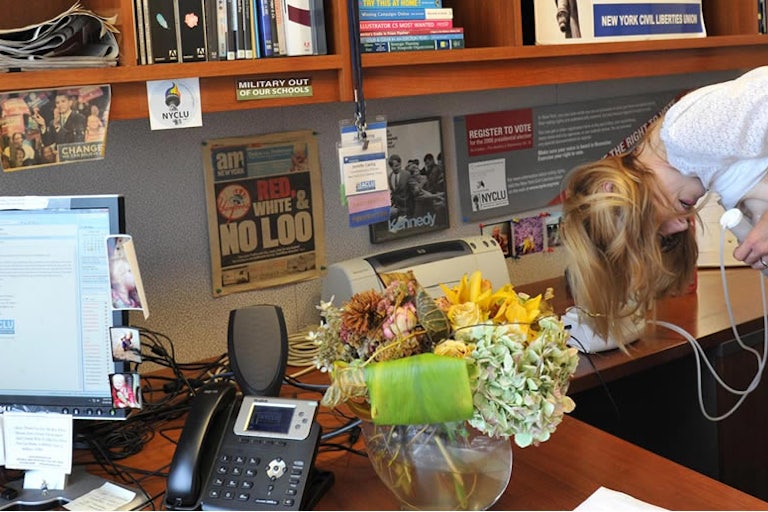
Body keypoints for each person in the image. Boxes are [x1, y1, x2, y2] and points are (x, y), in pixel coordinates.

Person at [561, 66, 768, 347]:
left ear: (616, 191)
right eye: (664, 236)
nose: (681, 226)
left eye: (654, 224)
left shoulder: (685, 131)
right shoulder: (718, 176)